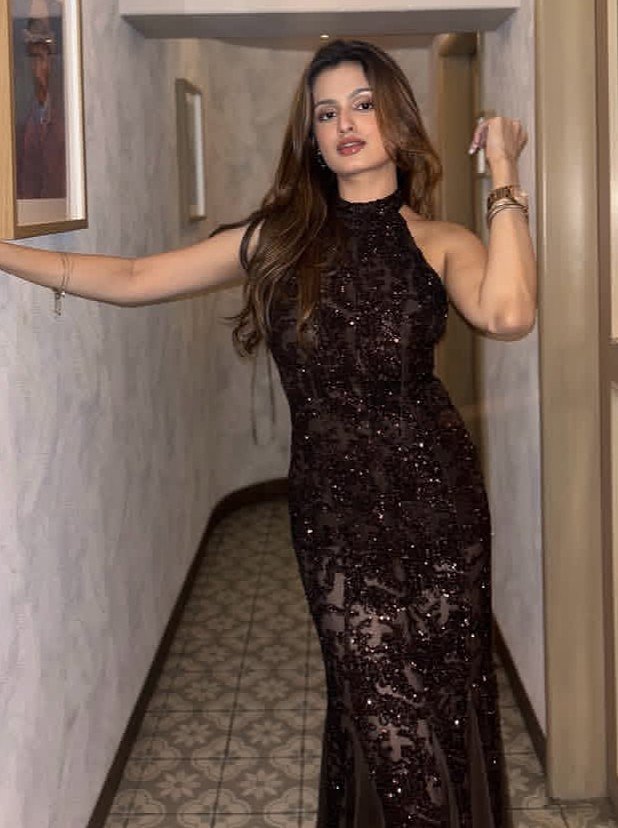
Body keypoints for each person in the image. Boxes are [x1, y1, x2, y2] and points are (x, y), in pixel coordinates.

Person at [0, 38, 536, 827]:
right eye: (327, 113)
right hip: (335, 518)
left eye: (363, 105)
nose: (345, 123)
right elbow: (137, 278)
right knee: (381, 715)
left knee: (446, 702)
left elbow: (510, 313)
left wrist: (506, 173)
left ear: (396, 118)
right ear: (311, 137)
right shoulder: (281, 239)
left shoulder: (442, 242)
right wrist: (6, 255)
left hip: (440, 507)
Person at [16, 14, 66, 200]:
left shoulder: (68, 113)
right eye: (33, 58)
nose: (37, 68)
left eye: (42, 58)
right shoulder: (21, 117)